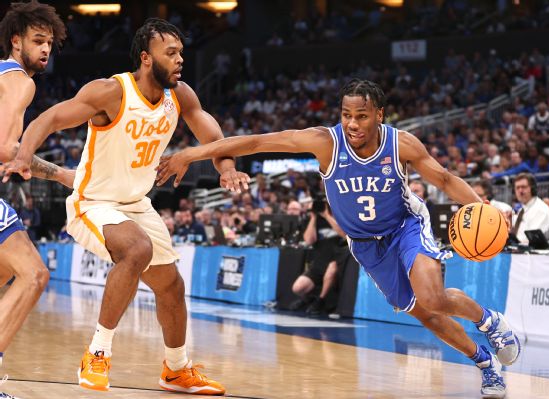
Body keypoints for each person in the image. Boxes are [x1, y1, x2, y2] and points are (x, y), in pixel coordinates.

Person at [157, 78, 521, 398]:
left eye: (361, 116)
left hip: (405, 227)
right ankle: (485, 362)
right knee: (424, 314)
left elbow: (443, 179)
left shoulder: (401, 144)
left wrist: (482, 206)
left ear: (379, 113)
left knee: (433, 296)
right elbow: (255, 142)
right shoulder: (325, 142)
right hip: (365, 245)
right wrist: (190, 153)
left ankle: (490, 322)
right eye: (346, 115)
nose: (352, 123)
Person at [4, 18, 248, 395]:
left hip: (136, 204)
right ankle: (97, 352)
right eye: (172, 53)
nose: (181, 58)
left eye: (181, 51)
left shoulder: (180, 95)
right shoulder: (111, 92)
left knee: (171, 286)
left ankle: (176, 369)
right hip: (92, 202)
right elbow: (49, 119)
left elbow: (213, 135)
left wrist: (227, 167)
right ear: (147, 58)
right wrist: (23, 155)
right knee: (136, 249)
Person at [0, 2, 71, 397]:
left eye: (50, 43)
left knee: (5, 274)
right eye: (38, 41)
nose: (46, 49)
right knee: (34, 274)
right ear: (16, 40)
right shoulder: (20, 81)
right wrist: (62, 174)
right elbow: (6, 148)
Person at [291, 196, 347, 315]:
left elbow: (344, 234)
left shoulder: (339, 216)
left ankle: (320, 301)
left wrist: (327, 216)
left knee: (331, 268)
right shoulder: (313, 221)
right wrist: (314, 217)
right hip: (320, 260)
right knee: (297, 287)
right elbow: (309, 240)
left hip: (337, 258)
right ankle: (308, 299)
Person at [511, 173, 549, 245]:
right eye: (517, 188)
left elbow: (532, 240)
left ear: (532, 188)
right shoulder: (522, 209)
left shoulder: (541, 209)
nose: (520, 191)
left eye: (523, 187)